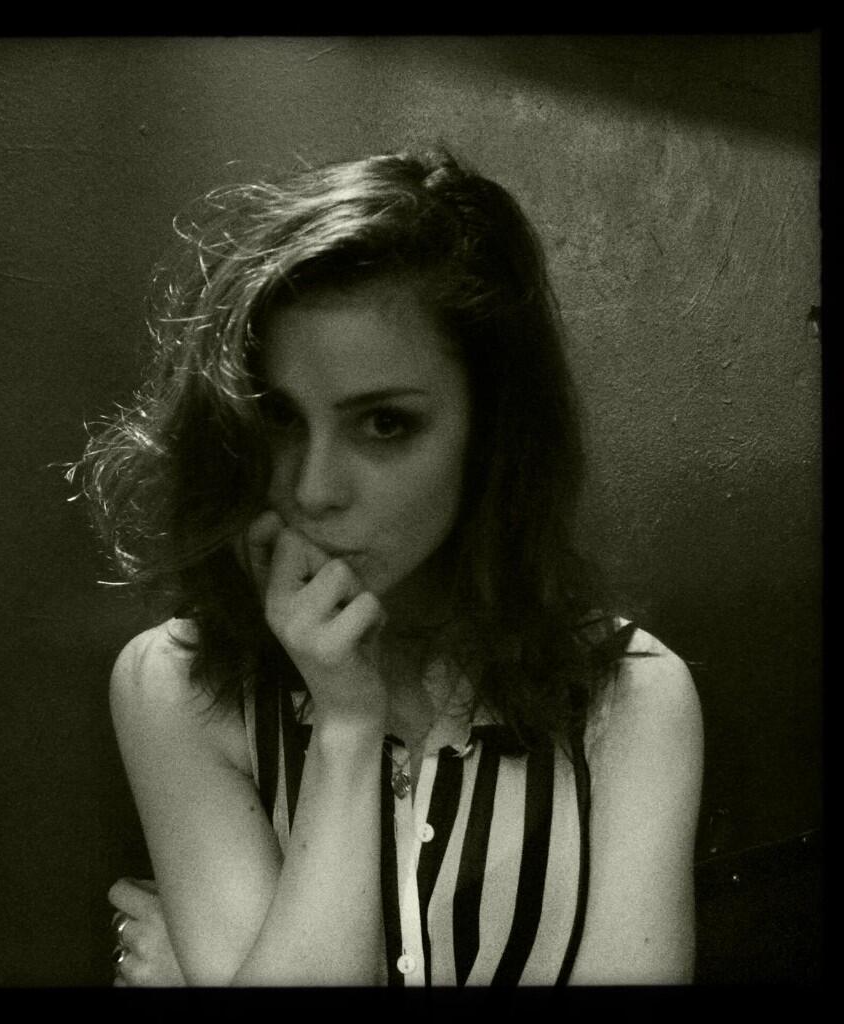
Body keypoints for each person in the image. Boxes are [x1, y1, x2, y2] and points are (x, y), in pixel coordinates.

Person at [77, 147, 703, 987]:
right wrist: (346, 725)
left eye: (383, 425)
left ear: (491, 433)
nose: (312, 489)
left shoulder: (629, 696)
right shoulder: (178, 683)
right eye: (280, 418)